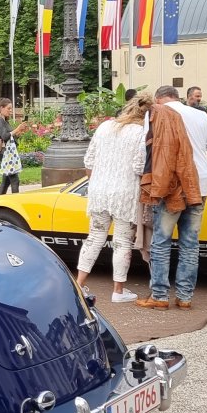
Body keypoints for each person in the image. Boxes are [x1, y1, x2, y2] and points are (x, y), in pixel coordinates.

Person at [76, 96, 151, 304]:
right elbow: (139, 166)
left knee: (94, 237)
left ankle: (79, 284)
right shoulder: (141, 132)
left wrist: (97, 182)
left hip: (99, 191)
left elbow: (89, 160)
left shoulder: (105, 127)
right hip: (125, 193)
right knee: (122, 242)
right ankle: (118, 290)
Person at [138, 88, 206, 310]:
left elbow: (150, 151)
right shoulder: (200, 115)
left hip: (170, 186)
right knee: (190, 243)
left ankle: (159, 295)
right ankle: (185, 297)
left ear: (158, 99)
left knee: (161, 241)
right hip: (198, 185)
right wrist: (199, 174)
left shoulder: (157, 113)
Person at [0, 98, 28, 195]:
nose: (11, 111)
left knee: (6, 181)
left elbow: (9, 136)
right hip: (5, 153)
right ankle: (16, 201)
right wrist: (17, 128)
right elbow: (5, 136)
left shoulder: (4, 120)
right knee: (15, 180)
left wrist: (19, 132)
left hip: (6, 152)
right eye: (8, 108)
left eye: (11, 108)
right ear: (1, 108)